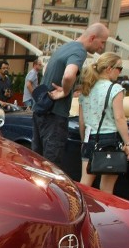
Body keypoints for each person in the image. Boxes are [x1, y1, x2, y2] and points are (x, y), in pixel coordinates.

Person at [32, 22, 110, 165]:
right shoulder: (79, 51)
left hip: (43, 110)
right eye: (102, 42)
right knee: (51, 166)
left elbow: (49, 69)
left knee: (37, 162)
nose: (102, 47)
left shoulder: (66, 47)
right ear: (92, 38)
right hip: (55, 115)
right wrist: (65, 91)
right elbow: (68, 75)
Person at [77, 53, 129, 195]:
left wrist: (84, 140)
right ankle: (104, 216)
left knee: (85, 184)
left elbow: (82, 121)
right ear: (109, 68)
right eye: (119, 68)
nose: (120, 72)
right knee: (106, 190)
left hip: (89, 138)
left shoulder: (86, 90)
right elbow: (119, 118)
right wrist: (127, 142)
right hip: (110, 139)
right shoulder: (115, 89)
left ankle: (80, 212)